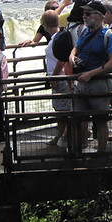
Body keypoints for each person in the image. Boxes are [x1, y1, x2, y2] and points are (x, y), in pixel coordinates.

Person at [69, 1, 112, 154]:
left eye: (87, 13)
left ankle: (101, 153)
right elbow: (76, 47)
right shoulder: (84, 32)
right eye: (84, 14)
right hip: (81, 82)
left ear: (99, 16)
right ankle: (79, 149)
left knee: (101, 120)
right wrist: (72, 56)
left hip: (99, 84)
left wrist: (91, 74)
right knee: (78, 118)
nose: (84, 16)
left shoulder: (109, 36)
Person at [42, 10, 71, 147]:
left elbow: (62, 59)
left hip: (60, 77)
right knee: (61, 109)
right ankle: (63, 135)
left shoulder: (57, 39)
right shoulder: (58, 37)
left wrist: (54, 75)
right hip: (59, 76)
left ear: (45, 24)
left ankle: (62, 136)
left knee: (61, 111)